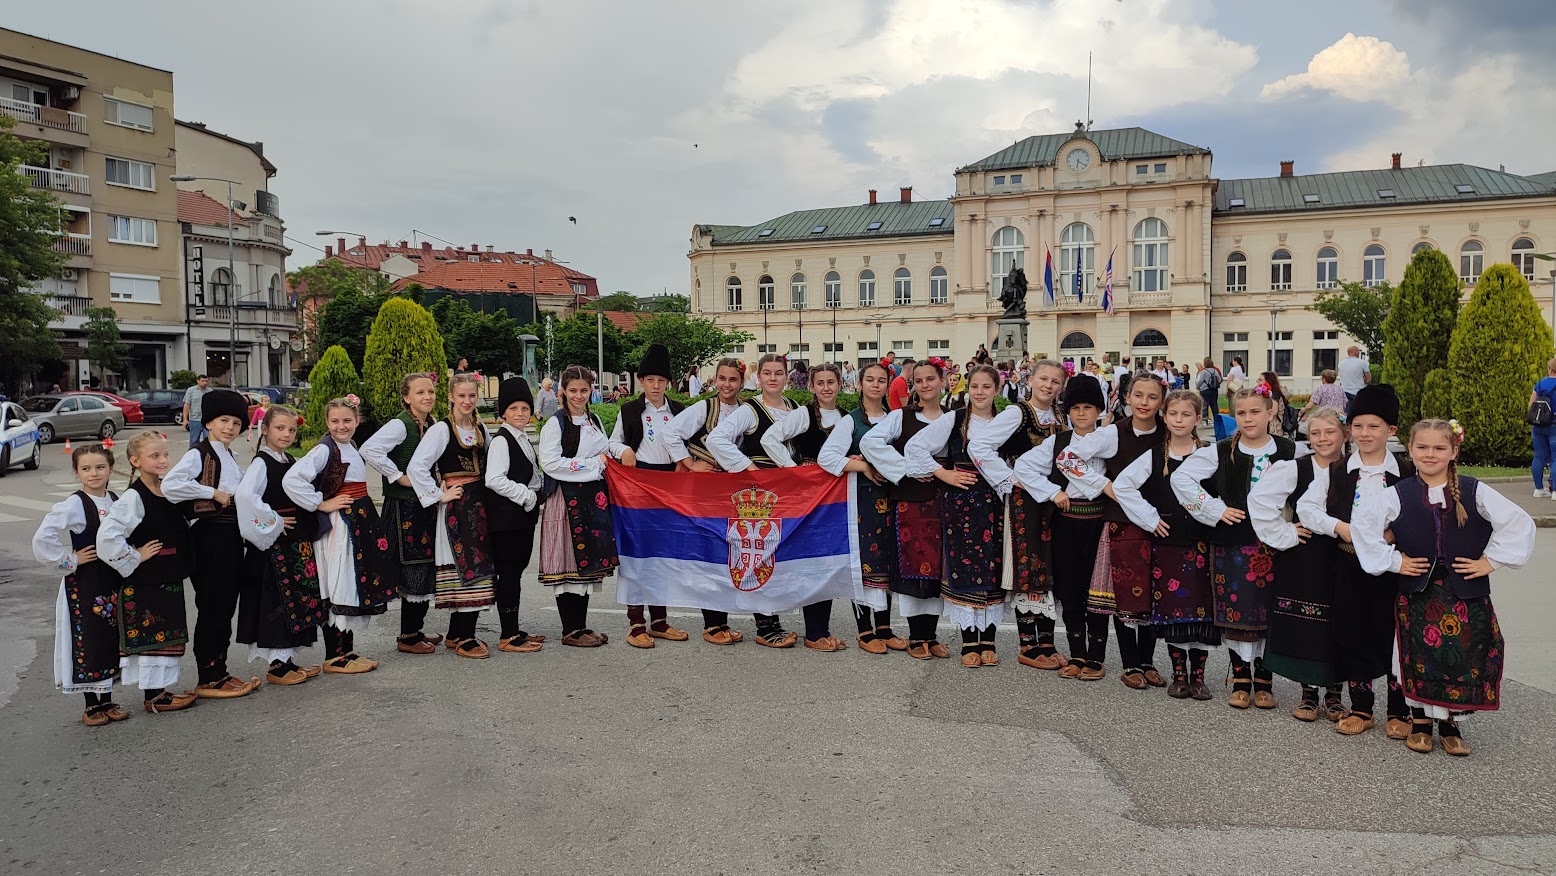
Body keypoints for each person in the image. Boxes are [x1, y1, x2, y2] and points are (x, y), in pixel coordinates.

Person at [1353, 419, 1535, 757]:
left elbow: (1519, 522)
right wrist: (1395, 562)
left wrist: (1490, 562)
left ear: (1454, 451)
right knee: (1417, 655)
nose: (1430, 454)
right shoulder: (1398, 494)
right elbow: (1363, 529)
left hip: (1465, 591)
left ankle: (1451, 725)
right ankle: (1420, 722)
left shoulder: (1473, 489)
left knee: (1461, 655)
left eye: (1439, 448)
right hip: (1418, 591)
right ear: (1410, 450)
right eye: (1422, 447)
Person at [1296, 384, 1412, 739]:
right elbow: (1306, 508)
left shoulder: (1406, 472)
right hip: (1348, 566)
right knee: (1352, 634)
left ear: (1391, 430)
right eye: (1358, 426)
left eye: (1374, 426)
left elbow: (1420, 512)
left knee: (1395, 636)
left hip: (1395, 569)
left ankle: (1399, 710)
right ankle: (1361, 707)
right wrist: (1340, 528)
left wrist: (1393, 534)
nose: (1365, 433)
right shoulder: (1338, 470)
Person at [1171, 387, 1297, 710]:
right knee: (1235, 610)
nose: (1248, 418)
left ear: (1270, 413)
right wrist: (1215, 509)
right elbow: (1181, 479)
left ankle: (1265, 680)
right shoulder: (1221, 450)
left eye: (1255, 412)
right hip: (1233, 543)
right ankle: (1240, 678)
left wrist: (1299, 522)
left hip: (1274, 545)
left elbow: (1311, 484)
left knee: (1269, 611)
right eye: (1241, 413)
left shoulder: (1288, 450)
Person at [1059, 372, 1169, 689]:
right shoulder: (1113, 434)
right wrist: (1104, 486)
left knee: (1152, 591)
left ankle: (1147, 660)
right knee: (1121, 594)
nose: (1145, 403)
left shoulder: (1167, 432)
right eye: (1139, 396)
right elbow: (1068, 458)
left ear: (1161, 400)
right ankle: (1130, 664)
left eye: (1152, 397)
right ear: (1127, 398)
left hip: (1160, 520)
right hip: (1121, 519)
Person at [1108, 390, 1219, 700]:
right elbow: (1123, 486)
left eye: (1186, 415)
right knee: (1174, 612)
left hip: (1202, 543)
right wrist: (1149, 517)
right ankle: (1178, 675)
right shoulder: (1156, 455)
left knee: (1203, 612)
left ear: (1198, 419)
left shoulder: (1211, 454)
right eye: (1173, 414)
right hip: (1168, 543)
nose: (1179, 420)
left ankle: (1198, 676)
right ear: (1165, 417)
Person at [282, 397, 395, 674]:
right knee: (339, 581)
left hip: (359, 520)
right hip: (341, 524)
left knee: (354, 582)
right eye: (335, 421)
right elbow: (292, 479)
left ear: (357, 421)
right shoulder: (324, 450)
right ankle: (335, 655)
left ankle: (347, 650)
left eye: (347, 420)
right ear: (326, 423)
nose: (341, 426)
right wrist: (320, 503)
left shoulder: (350, 446)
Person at [905, 364, 1007, 667]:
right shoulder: (955, 419)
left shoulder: (1005, 422)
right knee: (965, 566)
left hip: (996, 502)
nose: (979, 392)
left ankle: (989, 640)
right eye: (974, 386)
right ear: (966, 388)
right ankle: (968, 643)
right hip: (961, 502)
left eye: (986, 387)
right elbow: (916, 447)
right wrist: (944, 474)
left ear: (997, 390)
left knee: (993, 566)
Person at [1249, 406, 1347, 723]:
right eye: (1315, 433)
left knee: (1340, 621)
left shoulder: (1355, 468)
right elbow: (1260, 500)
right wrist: (1286, 532)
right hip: (1306, 552)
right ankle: (1308, 693)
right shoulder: (1296, 468)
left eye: (1329, 432)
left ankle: (1335, 694)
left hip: (1346, 552)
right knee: (1308, 621)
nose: (1322, 439)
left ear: (1344, 434)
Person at [969, 359, 1067, 669]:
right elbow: (979, 446)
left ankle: (1048, 643)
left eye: (1055, 381)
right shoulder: (1017, 413)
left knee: (1048, 567)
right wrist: (1009, 478)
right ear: (1030, 379)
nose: (1048, 385)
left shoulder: (1061, 415)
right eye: (1043, 379)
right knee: (1028, 566)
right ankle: (1028, 646)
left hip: (1054, 499)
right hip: (1026, 500)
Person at [163, 388, 259, 700]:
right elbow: (171, 485)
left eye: (235, 422)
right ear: (208, 422)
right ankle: (209, 675)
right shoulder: (199, 453)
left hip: (231, 537)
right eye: (223, 420)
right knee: (213, 604)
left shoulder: (229, 455)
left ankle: (220, 670)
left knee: (225, 603)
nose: (230, 427)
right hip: (209, 536)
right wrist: (211, 493)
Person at [1013, 374, 1109, 678]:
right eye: (1076, 407)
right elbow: (1023, 467)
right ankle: (1077, 654)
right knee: (1069, 589)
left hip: (1099, 523)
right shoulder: (1058, 442)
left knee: (1096, 592)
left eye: (1089, 407)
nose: (1082, 413)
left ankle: (1096, 657)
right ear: (1068, 410)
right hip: (1068, 522)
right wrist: (1053, 492)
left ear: (1100, 410)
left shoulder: (1109, 439)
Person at [97, 431, 198, 713]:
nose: (163, 460)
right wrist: (135, 556)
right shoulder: (133, 497)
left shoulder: (167, 489)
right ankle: (155, 697)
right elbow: (107, 537)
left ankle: (160, 692)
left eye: (165, 454)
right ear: (135, 461)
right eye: (154, 456)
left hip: (167, 576)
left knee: (167, 632)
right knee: (154, 634)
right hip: (147, 580)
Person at [861, 359, 953, 661]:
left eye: (931, 379)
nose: (925, 385)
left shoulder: (953, 418)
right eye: (919, 380)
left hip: (944, 502)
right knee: (914, 567)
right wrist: (906, 468)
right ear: (912, 385)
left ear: (942, 381)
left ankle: (931, 634)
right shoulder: (902, 416)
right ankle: (916, 636)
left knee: (938, 568)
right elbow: (870, 442)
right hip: (910, 502)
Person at [706, 354, 801, 648]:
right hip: (758, 494)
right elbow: (717, 439)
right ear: (758, 378)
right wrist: (749, 468)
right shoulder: (751, 409)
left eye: (779, 373)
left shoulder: (796, 409)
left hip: (788, 489)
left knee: (780, 553)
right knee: (759, 551)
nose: (773, 378)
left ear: (787, 377)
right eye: (767, 373)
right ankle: (765, 625)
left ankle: (772, 618)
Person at [33, 444, 129, 724]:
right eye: (86, 468)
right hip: (85, 582)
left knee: (111, 637)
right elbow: (43, 538)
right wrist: (71, 559)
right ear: (76, 472)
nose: (94, 473)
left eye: (100, 467)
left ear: (111, 468)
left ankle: (108, 699)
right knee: (87, 638)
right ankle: (91, 704)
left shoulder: (115, 499)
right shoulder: (75, 504)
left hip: (112, 579)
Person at [408, 372, 498, 659]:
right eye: (462, 396)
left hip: (480, 505)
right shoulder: (442, 430)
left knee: (479, 563)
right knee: (464, 565)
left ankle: (457, 633)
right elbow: (417, 467)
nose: (467, 401)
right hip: (457, 508)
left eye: (472, 395)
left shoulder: (480, 427)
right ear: (451, 397)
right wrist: (439, 495)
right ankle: (466, 637)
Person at [818, 361, 905, 653]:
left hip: (893, 498)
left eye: (882, 380)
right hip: (863, 500)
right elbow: (827, 457)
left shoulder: (897, 418)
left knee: (888, 561)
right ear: (860, 384)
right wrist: (862, 465)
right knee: (864, 562)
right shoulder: (851, 421)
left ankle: (885, 627)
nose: (876, 385)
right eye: (870, 379)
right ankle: (864, 629)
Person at [234, 405, 324, 686]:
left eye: (292, 429)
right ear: (265, 430)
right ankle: (277, 665)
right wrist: (273, 521)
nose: (286, 434)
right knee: (275, 601)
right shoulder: (262, 463)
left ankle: (288, 659)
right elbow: (245, 497)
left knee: (293, 601)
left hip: (293, 546)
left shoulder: (288, 460)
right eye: (280, 428)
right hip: (275, 548)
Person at [609, 344, 690, 649]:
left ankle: (659, 620)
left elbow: (692, 445)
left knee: (663, 554)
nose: (656, 386)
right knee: (637, 553)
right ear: (641, 381)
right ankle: (635, 623)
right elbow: (611, 443)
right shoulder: (629, 410)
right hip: (638, 486)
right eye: (650, 380)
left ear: (668, 383)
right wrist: (625, 450)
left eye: (661, 381)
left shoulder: (679, 410)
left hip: (670, 485)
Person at [664, 358, 749, 644]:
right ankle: (712, 624)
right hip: (706, 489)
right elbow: (670, 433)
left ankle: (722, 622)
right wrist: (689, 463)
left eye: (733, 380)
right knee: (710, 553)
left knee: (728, 553)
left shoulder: (747, 410)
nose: (727, 385)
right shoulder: (704, 407)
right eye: (722, 378)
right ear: (715, 379)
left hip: (731, 489)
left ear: (741, 382)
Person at [766, 362, 850, 652]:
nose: (826, 387)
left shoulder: (846, 417)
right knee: (812, 562)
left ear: (840, 384)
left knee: (827, 562)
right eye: (821, 382)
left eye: (831, 381)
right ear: (811, 386)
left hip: (835, 499)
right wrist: (793, 470)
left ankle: (819, 629)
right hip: (808, 498)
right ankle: (812, 632)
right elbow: (770, 438)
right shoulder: (803, 415)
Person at [538, 365, 623, 647]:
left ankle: (581, 626)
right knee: (569, 560)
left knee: (586, 563)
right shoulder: (556, 423)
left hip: (591, 498)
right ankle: (570, 629)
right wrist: (592, 465)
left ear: (591, 390)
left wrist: (617, 452)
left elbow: (606, 448)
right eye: (573, 390)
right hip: (566, 499)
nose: (578, 395)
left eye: (583, 390)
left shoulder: (593, 418)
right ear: (563, 390)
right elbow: (549, 462)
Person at [360, 373, 444, 655]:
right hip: (404, 505)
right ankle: (407, 635)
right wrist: (397, 476)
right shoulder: (401, 424)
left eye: (430, 391)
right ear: (407, 397)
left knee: (424, 563)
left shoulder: (430, 423)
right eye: (420, 392)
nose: (427, 397)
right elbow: (369, 449)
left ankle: (415, 628)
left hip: (423, 504)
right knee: (413, 566)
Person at [484, 377, 545, 653]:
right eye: (513, 409)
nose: (520, 413)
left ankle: (514, 627)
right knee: (508, 574)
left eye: (524, 408)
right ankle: (508, 634)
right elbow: (494, 479)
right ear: (503, 413)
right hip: (507, 520)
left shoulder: (521, 438)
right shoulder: (502, 440)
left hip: (522, 519)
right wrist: (527, 495)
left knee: (516, 573)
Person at [1529, 357, 1556, 498]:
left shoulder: (1540, 384)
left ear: (1550, 369)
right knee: (1555, 458)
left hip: (1538, 425)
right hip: (1555, 426)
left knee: (1538, 456)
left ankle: (1538, 489)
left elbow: (1531, 405)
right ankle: (1555, 491)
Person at [1337, 346, 1370, 413]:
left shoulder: (1341, 363)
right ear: (1355, 352)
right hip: (1359, 391)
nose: (1358, 353)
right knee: (1359, 412)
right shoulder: (1362, 363)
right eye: (1358, 351)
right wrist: (1364, 380)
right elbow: (1368, 379)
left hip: (1345, 391)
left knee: (1347, 413)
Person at [181, 374, 211, 447]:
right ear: (198, 381)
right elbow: (187, 405)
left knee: (208, 440)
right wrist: (185, 419)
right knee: (194, 440)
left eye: (206, 381)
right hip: (194, 419)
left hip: (206, 419)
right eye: (202, 381)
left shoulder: (210, 391)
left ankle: (206, 456)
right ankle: (192, 455)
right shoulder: (191, 390)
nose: (204, 383)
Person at [1259, 372, 1291, 437]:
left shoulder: (1274, 394)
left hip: (1274, 427)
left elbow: (1274, 411)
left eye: (1260, 380)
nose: (1258, 382)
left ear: (1268, 381)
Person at [1195, 359, 1222, 425]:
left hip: (1205, 390)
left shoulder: (1204, 372)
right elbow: (1220, 379)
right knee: (1214, 405)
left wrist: (1198, 387)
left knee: (1205, 404)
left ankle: (1205, 420)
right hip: (1214, 390)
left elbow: (1200, 381)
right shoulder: (1215, 371)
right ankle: (1216, 420)